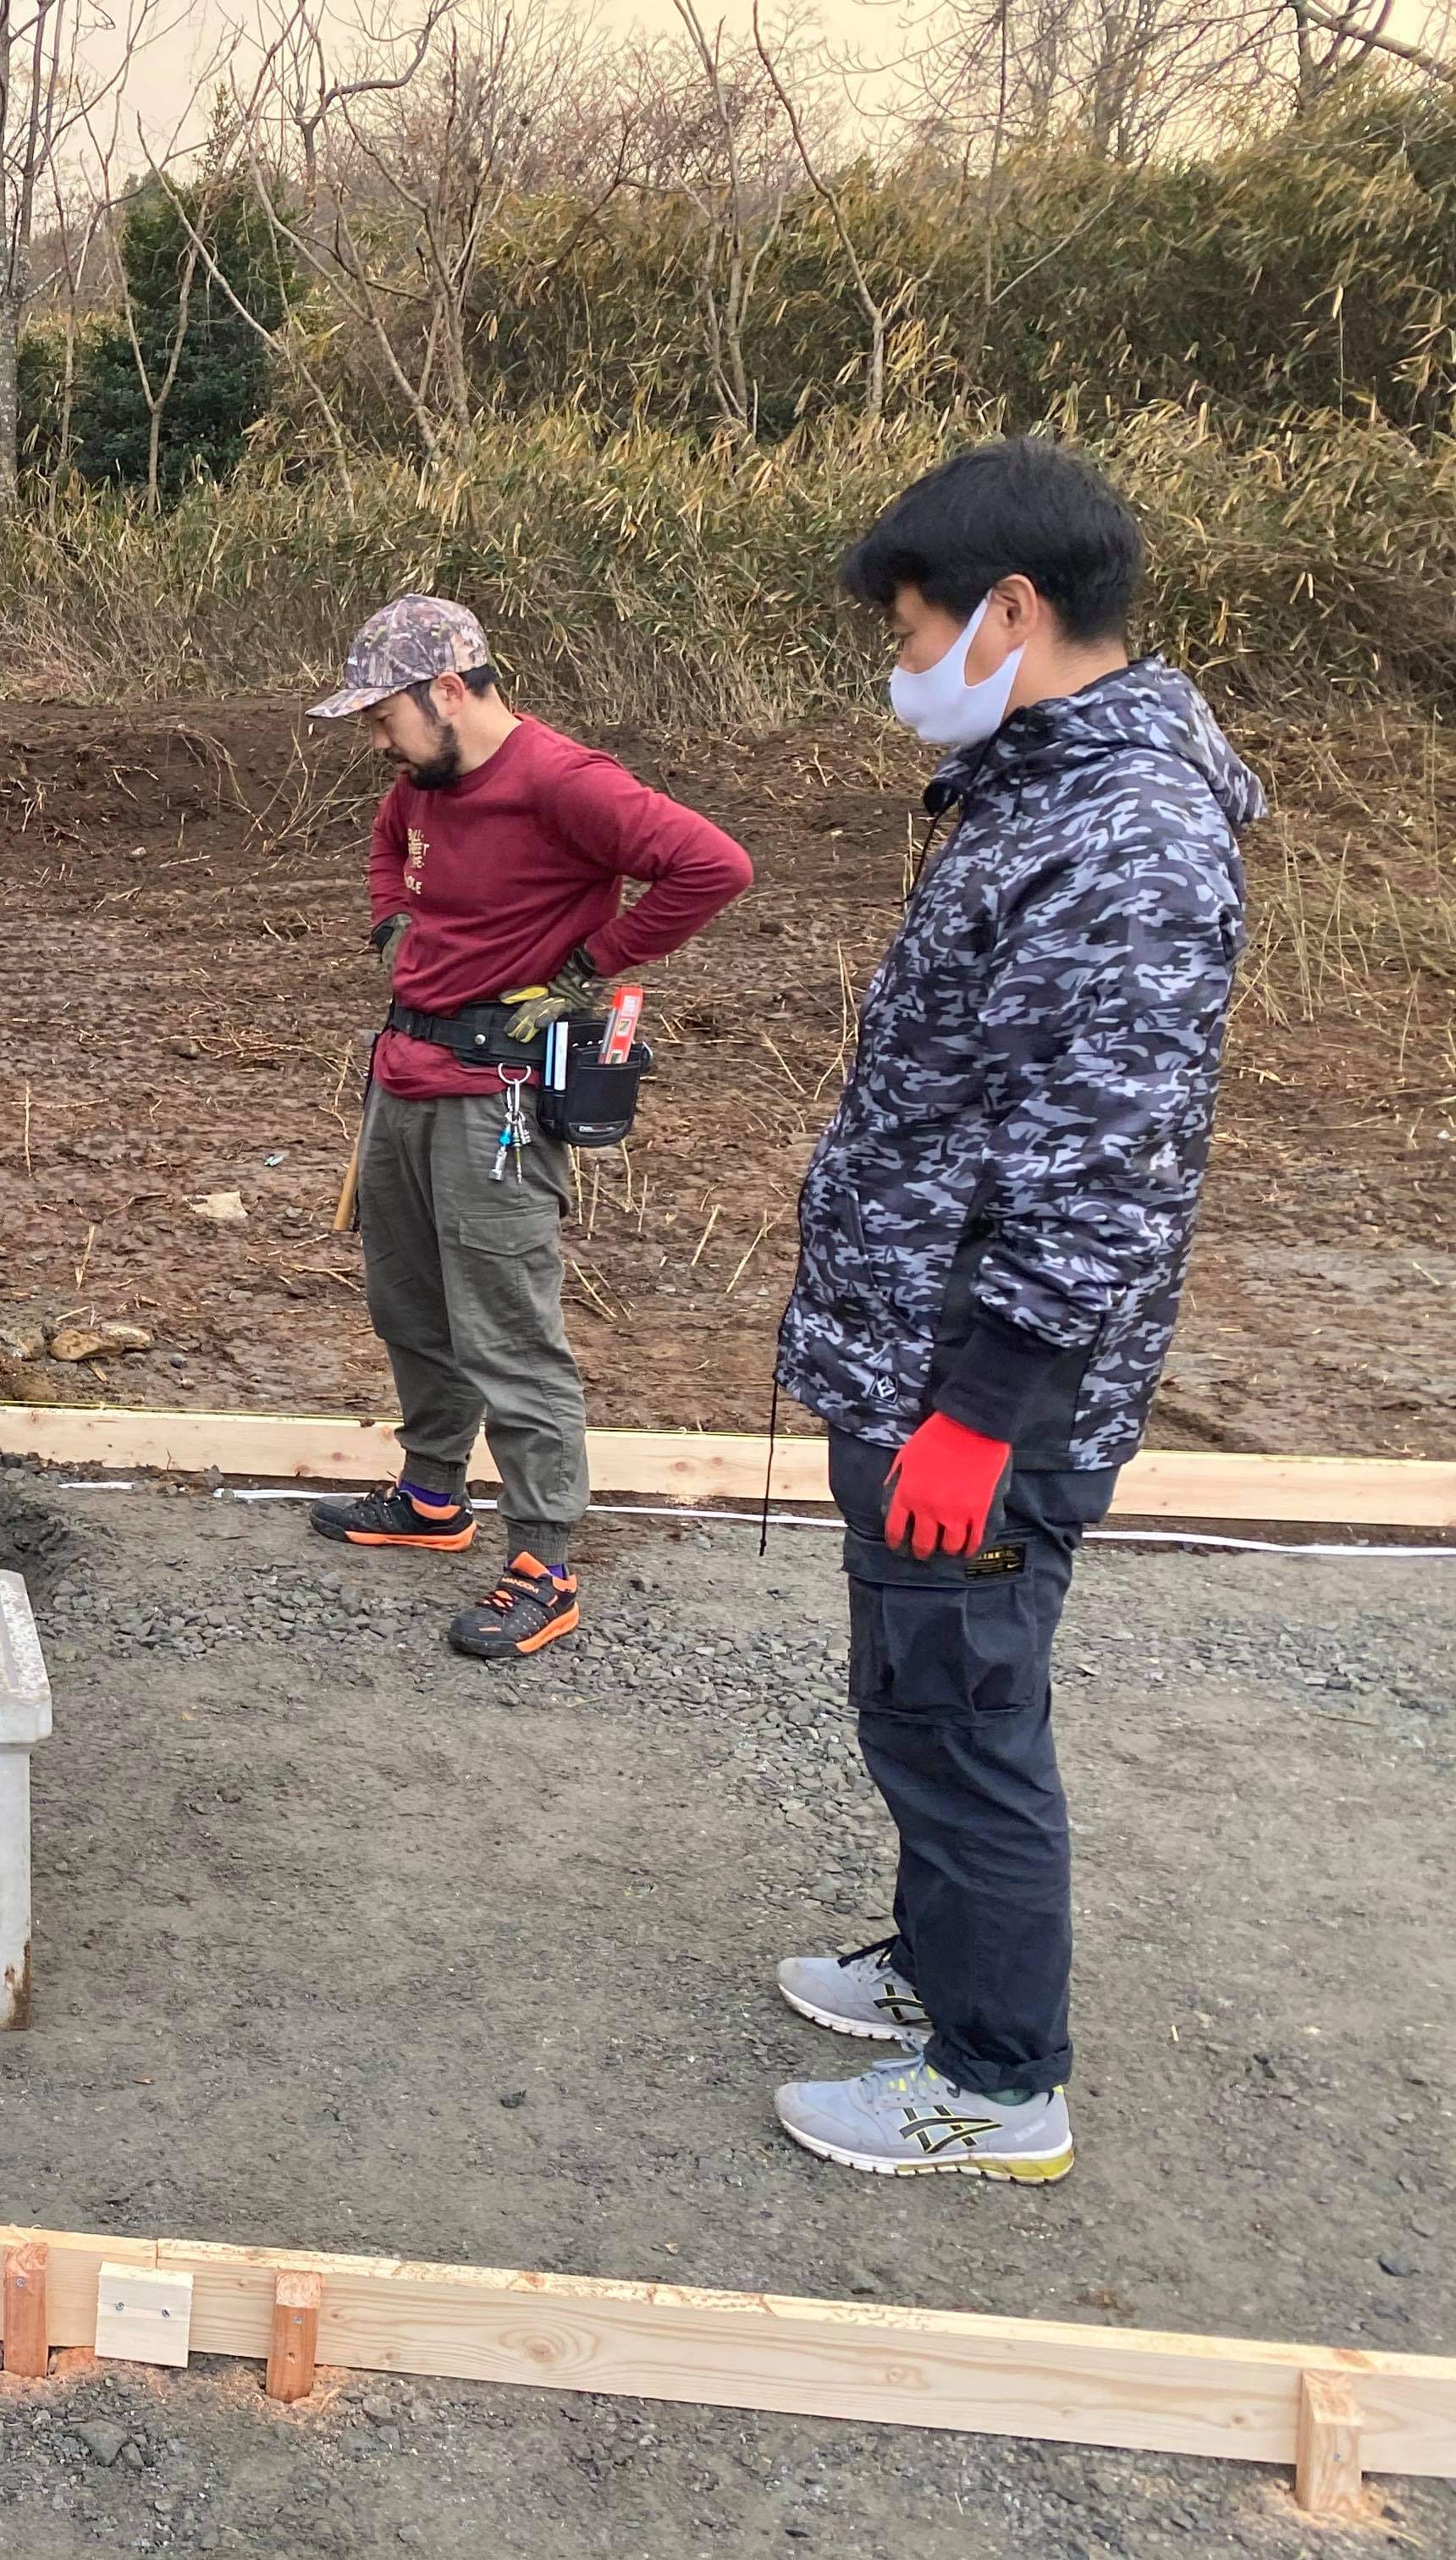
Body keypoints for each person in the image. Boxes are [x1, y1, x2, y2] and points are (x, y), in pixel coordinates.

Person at [769, 440, 1255, 2182]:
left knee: (961, 1699)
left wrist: (981, 1409)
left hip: (981, 1384)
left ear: (1013, 610)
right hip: (928, 1349)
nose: (903, 670)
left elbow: (1098, 1171)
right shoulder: (1045, 792)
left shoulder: (1124, 836)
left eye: (913, 630)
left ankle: (997, 2080)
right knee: (924, 1680)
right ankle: (941, 1969)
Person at [301, 596, 753, 1658]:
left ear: (449, 691)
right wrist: (394, 928)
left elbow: (712, 866)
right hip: (404, 1075)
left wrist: (589, 966)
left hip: (495, 1101)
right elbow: (388, 843)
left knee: (506, 1329)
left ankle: (544, 1559)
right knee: (407, 1303)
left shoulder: (565, 782)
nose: (378, 741)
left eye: (384, 717)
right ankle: (431, 1498)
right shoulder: (423, 783)